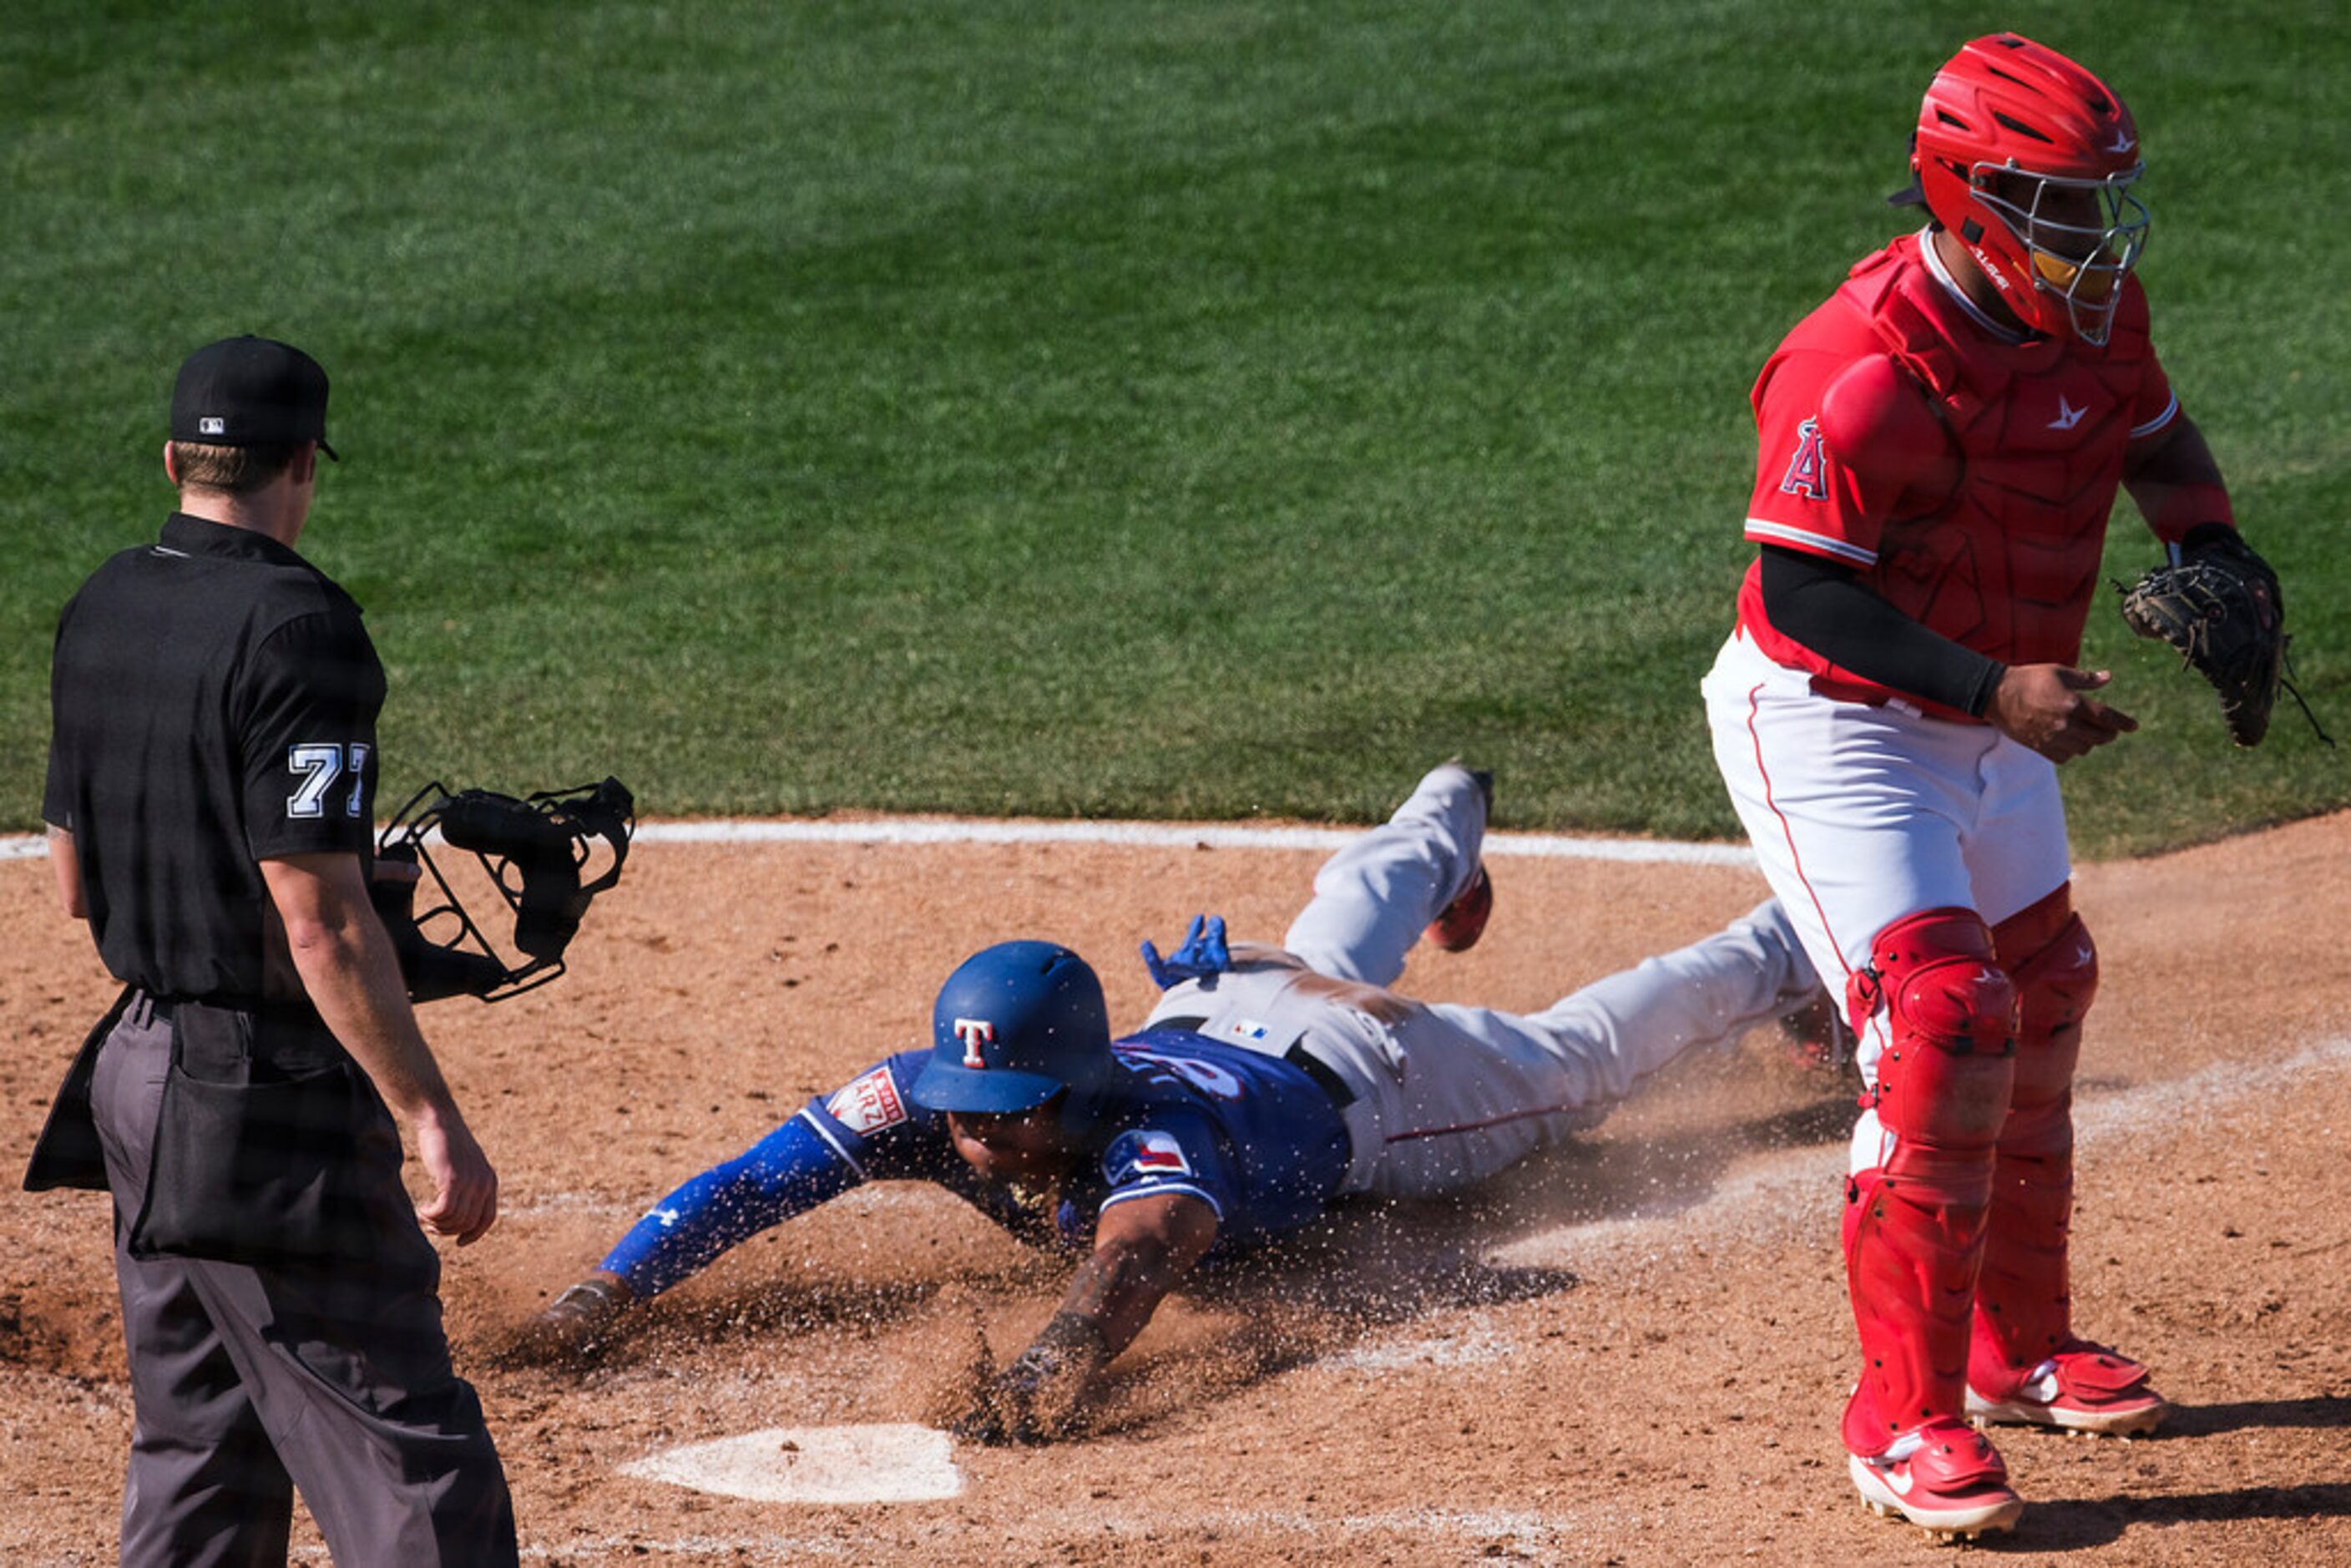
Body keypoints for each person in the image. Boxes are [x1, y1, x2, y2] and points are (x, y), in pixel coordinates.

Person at [527, 761, 1824, 1441]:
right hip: (1221, 998)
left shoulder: (1157, 1144)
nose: (976, 1135)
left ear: (1076, 1094)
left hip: (1375, 1071)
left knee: (1584, 1055)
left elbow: (1131, 1268)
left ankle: (1798, 939)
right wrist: (608, 1290)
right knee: (1328, 920)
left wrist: (1046, 1373)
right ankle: (1453, 796)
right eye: (965, 1106)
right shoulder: (930, 1096)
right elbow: (754, 1182)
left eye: (1008, 1112)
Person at [1700, 35, 2252, 1540]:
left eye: (2108, 207)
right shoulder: (1862, 362)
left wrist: (2213, 548)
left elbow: (2153, 432)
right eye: (2068, 208)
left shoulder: (2094, 312)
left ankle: (2020, 1345)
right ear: (1973, 192)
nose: (2100, 242)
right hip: (1837, 723)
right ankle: (1901, 1416)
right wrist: (1999, 690)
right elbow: (1807, 598)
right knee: (1943, 1022)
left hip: (1990, 711)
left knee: (2045, 986)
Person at [27, 337, 519, 1565]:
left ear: (175, 460)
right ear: (305, 462)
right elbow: (319, 917)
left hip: (133, 1075)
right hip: (262, 1105)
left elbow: (76, 877)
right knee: (411, 1459)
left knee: (202, 1448)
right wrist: (430, 1111)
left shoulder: (103, 599)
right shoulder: (302, 625)